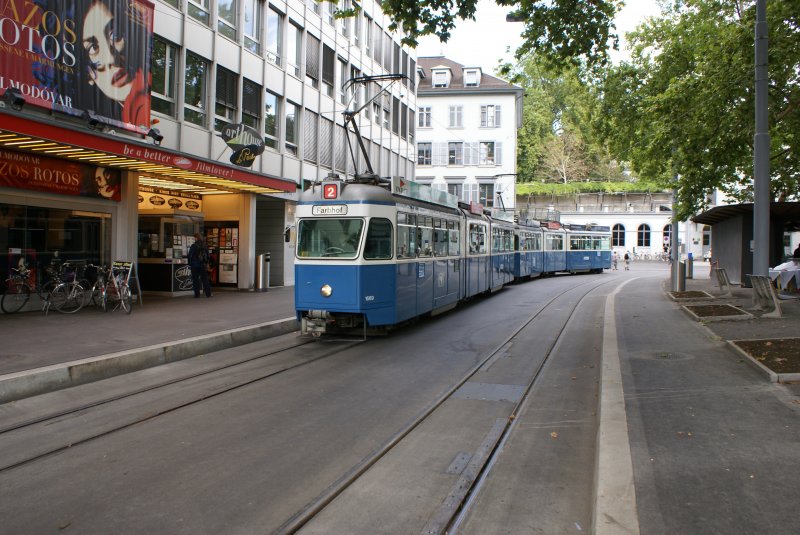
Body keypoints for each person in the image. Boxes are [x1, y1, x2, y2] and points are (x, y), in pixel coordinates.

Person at [76, 0, 151, 128]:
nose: (111, 58)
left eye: (115, 35)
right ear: (88, 74)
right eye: (93, 48)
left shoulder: (142, 101)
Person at [188, 233, 212, 298]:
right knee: (205, 279)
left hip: (195, 265)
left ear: (196, 238)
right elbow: (208, 256)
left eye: (194, 238)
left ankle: (197, 294)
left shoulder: (193, 246)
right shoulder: (204, 245)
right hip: (202, 265)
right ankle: (208, 294)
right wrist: (206, 263)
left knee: (195, 280)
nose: (193, 239)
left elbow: (190, 255)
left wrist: (190, 263)